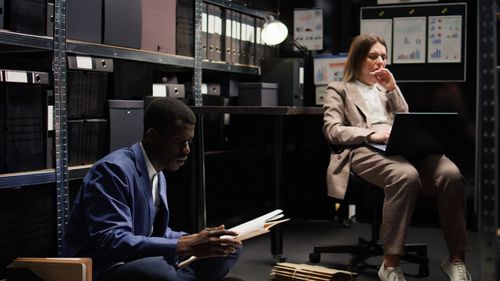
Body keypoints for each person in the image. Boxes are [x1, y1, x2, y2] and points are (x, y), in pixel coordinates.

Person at [322, 34, 470, 281]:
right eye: (373, 56)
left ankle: (456, 259)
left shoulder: (386, 88)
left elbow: (407, 117)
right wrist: (372, 134)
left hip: (402, 145)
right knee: (405, 175)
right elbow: (332, 130)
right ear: (358, 58)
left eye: (384, 56)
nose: (380, 61)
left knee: (451, 174)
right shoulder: (338, 89)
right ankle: (390, 265)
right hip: (363, 149)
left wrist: (392, 89)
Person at [62, 97, 242, 281]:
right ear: (153, 136)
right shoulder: (112, 170)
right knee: (157, 269)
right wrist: (185, 244)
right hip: (104, 268)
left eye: (189, 141)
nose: (187, 150)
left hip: (138, 262)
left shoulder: (158, 172)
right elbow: (112, 242)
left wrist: (201, 239)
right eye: (179, 141)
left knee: (228, 249)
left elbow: (157, 232)